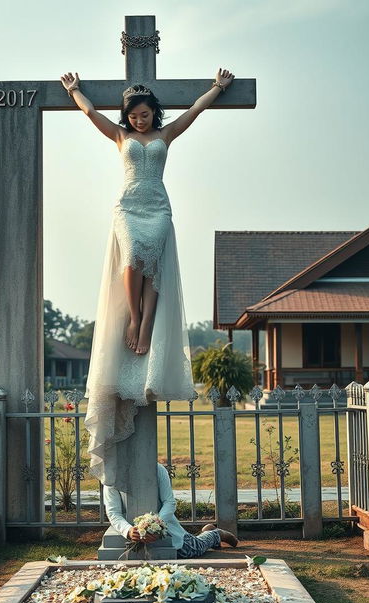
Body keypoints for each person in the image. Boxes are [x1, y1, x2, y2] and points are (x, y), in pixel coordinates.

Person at [60, 69, 235, 493]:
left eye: (144, 115)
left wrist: (216, 88)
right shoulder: (120, 138)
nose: (138, 120)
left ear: (153, 113)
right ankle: (134, 319)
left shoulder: (167, 134)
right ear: (127, 117)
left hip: (158, 205)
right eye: (133, 115)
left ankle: (144, 324)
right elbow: (90, 115)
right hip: (128, 206)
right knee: (133, 260)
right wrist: (75, 91)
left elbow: (195, 111)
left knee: (155, 264)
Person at [103, 463, 238, 558]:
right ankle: (207, 532)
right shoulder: (111, 476)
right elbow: (113, 512)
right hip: (131, 531)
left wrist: (156, 525)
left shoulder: (157, 469)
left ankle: (216, 534)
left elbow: (169, 502)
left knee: (192, 549)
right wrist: (128, 530)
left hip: (163, 526)